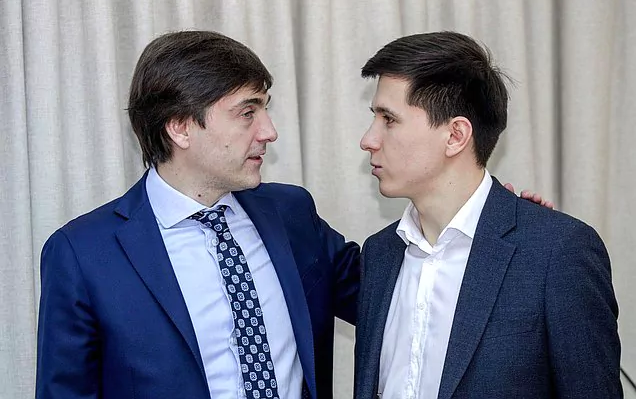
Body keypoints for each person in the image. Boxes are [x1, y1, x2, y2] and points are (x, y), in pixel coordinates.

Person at [35, 30, 359, 399]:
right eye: (248, 113)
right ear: (180, 127)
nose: (269, 132)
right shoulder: (82, 254)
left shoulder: (292, 213)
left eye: (265, 109)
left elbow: (387, 296)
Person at [353, 31, 622, 398]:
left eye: (389, 119)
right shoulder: (380, 254)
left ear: (455, 136)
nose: (368, 140)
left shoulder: (557, 252)